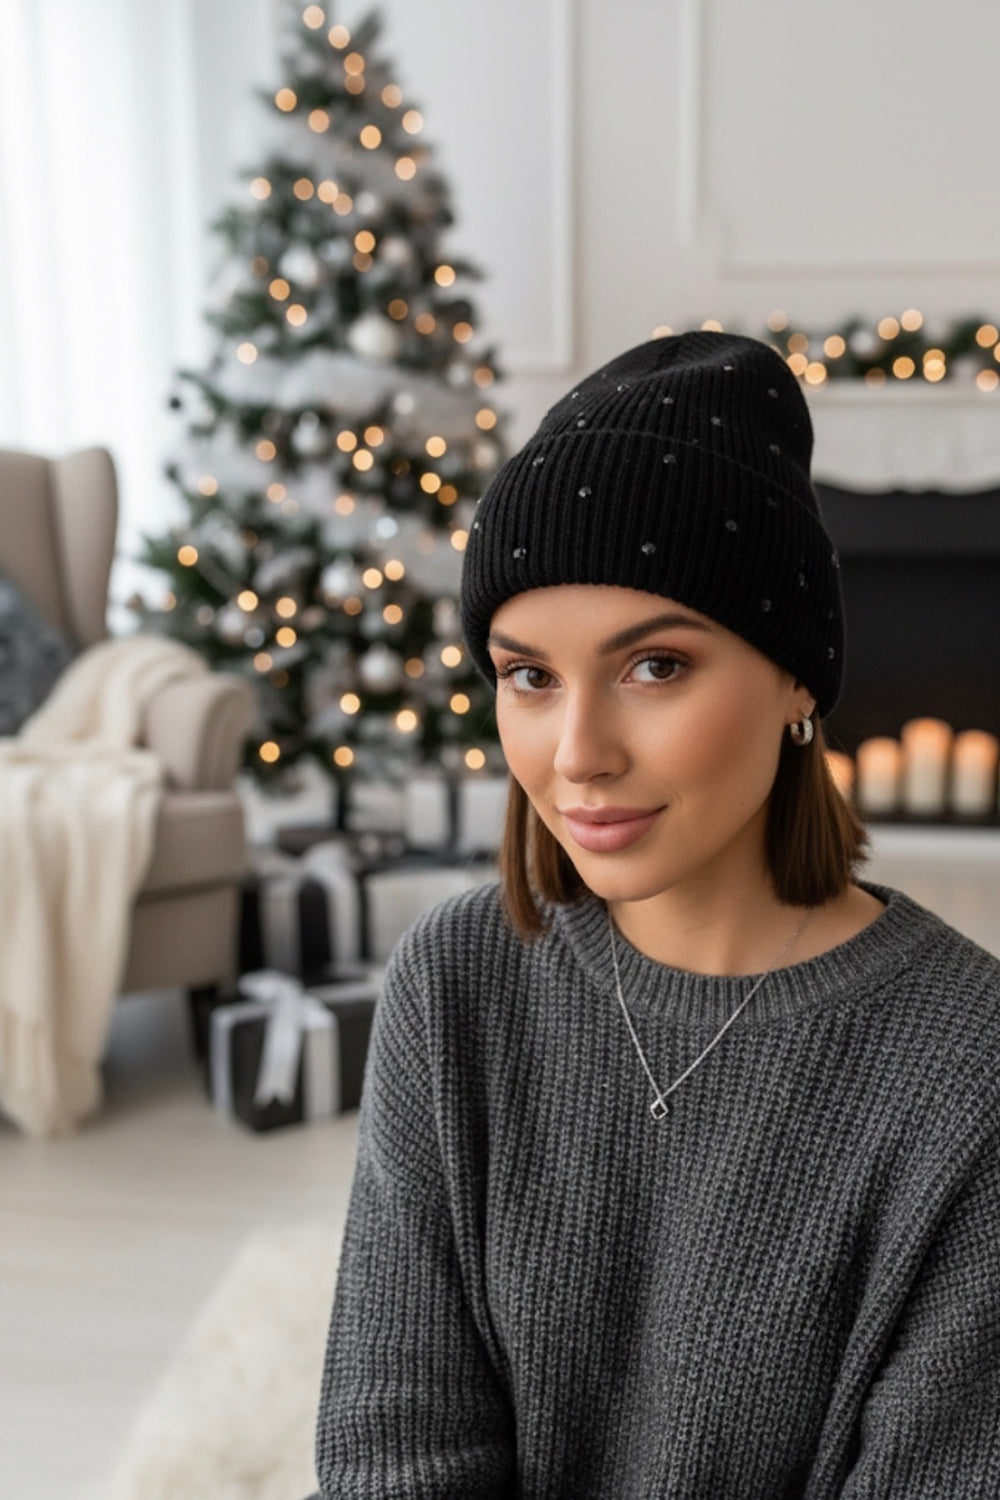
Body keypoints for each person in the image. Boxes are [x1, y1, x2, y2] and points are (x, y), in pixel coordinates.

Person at [310, 331, 1000, 1498]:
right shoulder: (458, 977)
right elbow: (394, 1446)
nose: (576, 754)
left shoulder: (965, 1060)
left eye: (655, 667)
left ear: (794, 680)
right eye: (527, 675)